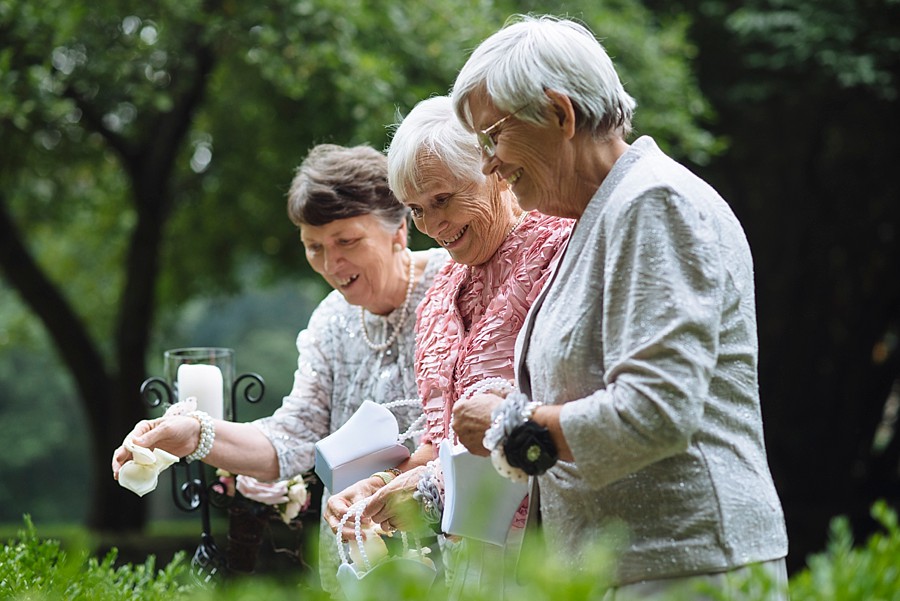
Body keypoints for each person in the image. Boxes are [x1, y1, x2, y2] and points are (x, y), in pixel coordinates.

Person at [447, 14, 790, 600]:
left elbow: (656, 410)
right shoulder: (601, 216)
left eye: (492, 137)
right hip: (636, 572)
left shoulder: (653, 203)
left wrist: (513, 427)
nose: (488, 165)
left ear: (560, 113)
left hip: (685, 570)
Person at [111, 143, 449, 594]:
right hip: (357, 561)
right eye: (314, 248)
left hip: (450, 550)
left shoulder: (453, 285)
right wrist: (194, 434)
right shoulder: (331, 320)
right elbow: (292, 439)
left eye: (347, 241)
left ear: (398, 229)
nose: (331, 265)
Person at [323, 95, 573, 598]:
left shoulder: (561, 249)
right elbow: (442, 444)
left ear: (495, 171)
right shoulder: (436, 295)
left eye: (443, 199)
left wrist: (433, 486)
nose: (432, 226)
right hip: (470, 566)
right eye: (416, 209)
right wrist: (384, 485)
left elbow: (574, 414)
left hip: (554, 552)